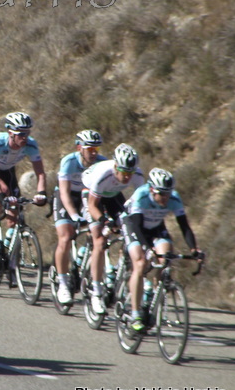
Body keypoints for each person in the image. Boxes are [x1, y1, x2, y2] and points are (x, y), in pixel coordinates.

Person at [122, 168, 202, 333]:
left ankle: (151, 293)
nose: (166, 198)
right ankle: (135, 315)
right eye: (161, 194)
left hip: (156, 227)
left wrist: (194, 249)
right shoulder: (141, 195)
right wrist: (147, 248)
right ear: (152, 189)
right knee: (140, 262)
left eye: (168, 193)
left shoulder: (173, 198)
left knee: (166, 257)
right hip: (133, 225)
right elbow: (136, 226)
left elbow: (184, 226)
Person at [81, 143, 145, 315]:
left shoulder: (137, 175)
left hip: (113, 195)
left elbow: (142, 204)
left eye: (130, 173)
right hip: (91, 194)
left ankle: (120, 274)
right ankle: (96, 292)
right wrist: (105, 221)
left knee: (130, 232)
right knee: (100, 241)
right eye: (124, 172)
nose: (127, 177)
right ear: (116, 166)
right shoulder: (103, 174)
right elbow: (93, 206)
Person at [0, 112, 48, 253]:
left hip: (7, 171)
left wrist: (41, 193)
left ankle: (6, 249)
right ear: (10, 133)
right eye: (21, 134)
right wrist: (0, 195)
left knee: (14, 216)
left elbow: (40, 173)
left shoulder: (31, 145)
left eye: (27, 133)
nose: (25, 137)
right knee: (0, 191)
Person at [53, 129, 106, 305]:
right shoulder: (68, 161)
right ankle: (62, 285)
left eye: (96, 149)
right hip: (67, 198)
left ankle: (84, 257)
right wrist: (74, 215)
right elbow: (64, 193)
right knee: (66, 237)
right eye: (90, 149)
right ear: (79, 148)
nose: (93, 153)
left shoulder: (102, 163)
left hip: (87, 199)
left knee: (97, 235)